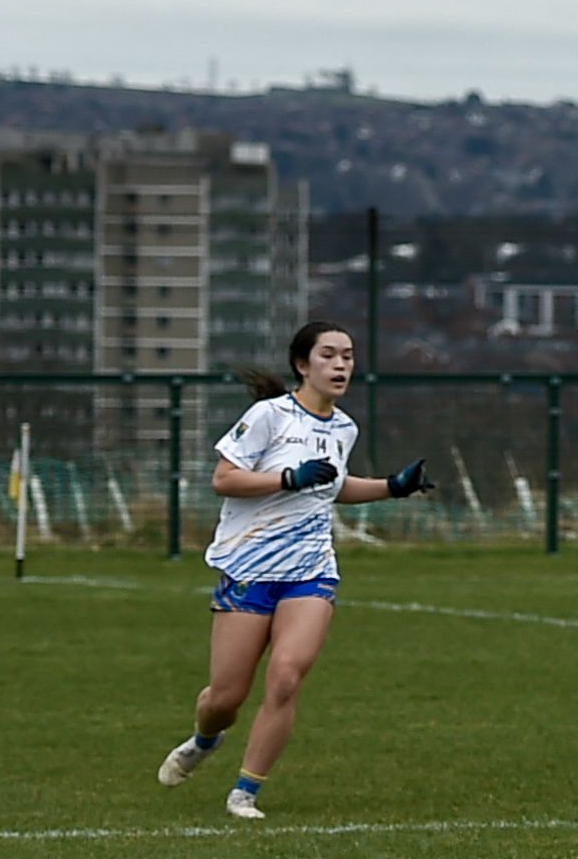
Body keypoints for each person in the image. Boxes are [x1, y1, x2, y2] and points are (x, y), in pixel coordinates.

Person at [156, 321, 435, 819]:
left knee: (286, 677)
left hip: (310, 571)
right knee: (225, 697)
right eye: (329, 355)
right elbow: (224, 478)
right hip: (248, 569)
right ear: (302, 365)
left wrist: (393, 486)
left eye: (347, 356)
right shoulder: (268, 416)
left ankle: (245, 792)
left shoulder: (344, 428)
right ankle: (204, 740)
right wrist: (287, 477)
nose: (341, 364)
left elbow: (334, 487)